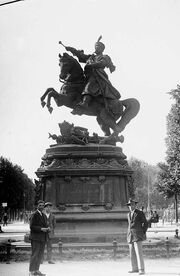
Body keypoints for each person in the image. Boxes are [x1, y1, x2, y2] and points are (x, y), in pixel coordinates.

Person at [65, 36, 120, 112]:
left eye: (98, 47)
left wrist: (91, 65)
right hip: (87, 76)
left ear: (102, 49)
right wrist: (71, 49)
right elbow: (80, 55)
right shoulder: (90, 57)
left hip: (97, 76)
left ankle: (85, 103)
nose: (96, 48)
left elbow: (102, 63)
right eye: (96, 47)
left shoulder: (104, 57)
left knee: (90, 84)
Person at [126, 198, 148, 275]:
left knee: (139, 253)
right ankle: (134, 268)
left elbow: (145, 223)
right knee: (132, 253)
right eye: (129, 205)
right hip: (130, 236)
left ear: (135, 205)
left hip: (138, 235)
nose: (130, 206)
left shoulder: (139, 213)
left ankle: (142, 269)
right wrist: (128, 234)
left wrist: (142, 232)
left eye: (132, 204)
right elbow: (129, 225)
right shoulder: (128, 214)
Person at [29, 200, 50, 276]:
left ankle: (36, 270)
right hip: (35, 238)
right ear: (37, 206)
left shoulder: (44, 215)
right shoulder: (34, 214)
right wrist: (41, 229)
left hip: (42, 238)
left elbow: (45, 225)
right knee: (35, 254)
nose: (41, 207)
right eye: (40, 205)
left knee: (40, 255)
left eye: (42, 205)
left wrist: (47, 229)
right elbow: (32, 227)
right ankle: (31, 271)